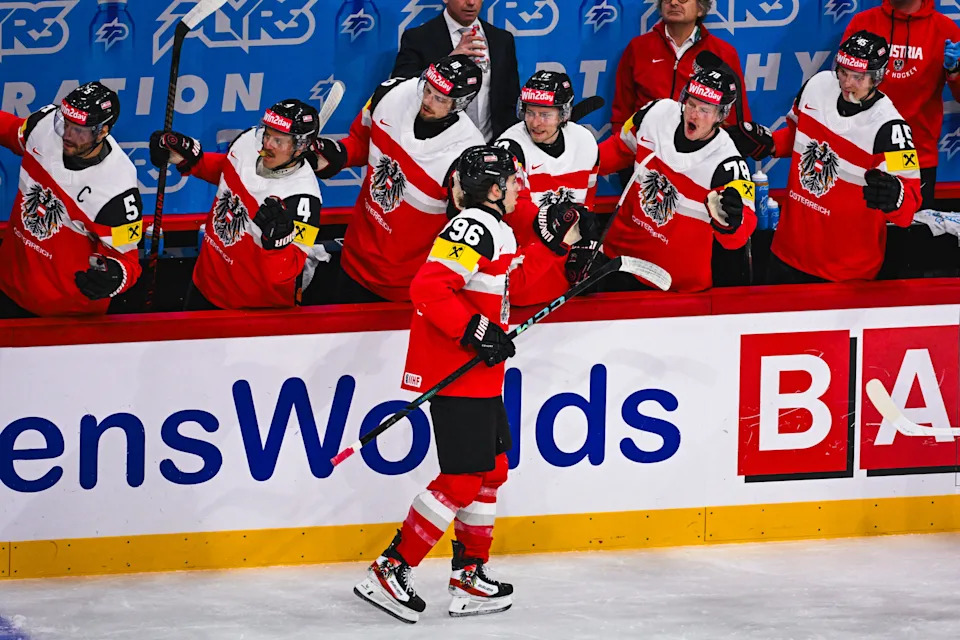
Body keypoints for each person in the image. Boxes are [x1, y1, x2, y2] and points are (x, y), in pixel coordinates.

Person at [354, 145, 581, 624]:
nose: (521, 188)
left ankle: (469, 575)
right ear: (495, 189)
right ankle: (390, 568)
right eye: (515, 181)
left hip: (479, 376)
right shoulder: (472, 225)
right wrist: (473, 330)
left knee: (491, 470)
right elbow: (429, 288)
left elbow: (511, 289)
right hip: (457, 373)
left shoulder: (494, 229)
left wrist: (555, 250)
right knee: (461, 478)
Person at [730, 31, 923, 284]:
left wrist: (895, 198)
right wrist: (768, 143)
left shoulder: (892, 129)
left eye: (858, 77)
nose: (847, 83)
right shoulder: (818, 85)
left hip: (844, 272)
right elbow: (797, 135)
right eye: (843, 72)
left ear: (877, 78)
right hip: (788, 252)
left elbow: (910, 201)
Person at [310, 55, 485, 303]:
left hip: (405, 285)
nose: (427, 100)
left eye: (440, 99)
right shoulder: (391, 93)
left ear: (460, 103)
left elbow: (464, 233)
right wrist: (329, 156)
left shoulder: (468, 156)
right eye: (427, 89)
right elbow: (360, 143)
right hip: (354, 259)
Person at [150, 99, 326, 310]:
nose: (267, 145)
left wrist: (278, 243)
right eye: (267, 134)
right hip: (205, 283)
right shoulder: (247, 142)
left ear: (301, 147)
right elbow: (227, 171)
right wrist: (191, 161)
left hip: (251, 308)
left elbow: (287, 273)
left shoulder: (304, 200)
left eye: (278, 141)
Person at [597, 67, 756, 293]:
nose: (693, 114)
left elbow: (741, 233)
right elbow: (619, 148)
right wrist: (582, 164)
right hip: (619, 262)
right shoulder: (655, 112)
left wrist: (731, 222)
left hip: (676, 287)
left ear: (721, 115)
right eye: (691, 104)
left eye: (704, 109)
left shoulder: (730, 164)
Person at [0, 81, 143, 318]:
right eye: (65, 123)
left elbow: (128, 261)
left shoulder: (118, 191)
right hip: (8, 284)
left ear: (103, 130)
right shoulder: (43, 126)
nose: (67, 134)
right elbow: (11, 131)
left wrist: (115, 277)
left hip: (65, 314)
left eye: (79, 130)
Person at [493, 70, 600, 305]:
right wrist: (553, 222)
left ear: (563, 114)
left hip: (564, 267)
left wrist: (583, 237)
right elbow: (512, 212)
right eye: (529, 112)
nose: (535, 122)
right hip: (525, 266)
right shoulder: (510, 147)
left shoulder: (585, 141)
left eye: (544, 114)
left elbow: (587, 198)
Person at [841, 0, 960, 209]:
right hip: (863, 150)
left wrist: (955, 72)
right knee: (858, 235)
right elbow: (841, 86)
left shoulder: (945, 30)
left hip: (913, 154)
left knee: (909, 236)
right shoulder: (864, 22)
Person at [611, 0, 750, 136]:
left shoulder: (722, 53)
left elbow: (735, 115)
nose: (673, 3)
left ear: (700, 8)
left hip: (701, 150)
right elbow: (622, 110)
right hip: (646, 147)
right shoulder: (638, 48)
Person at [391, 0, 520, 141]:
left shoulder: (502, 40)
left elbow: (510, 98)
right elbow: (401, 85)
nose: (471, 3)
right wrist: (448, 61)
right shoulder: (418, 38)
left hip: (490, 146)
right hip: (438, 145)